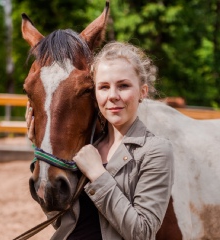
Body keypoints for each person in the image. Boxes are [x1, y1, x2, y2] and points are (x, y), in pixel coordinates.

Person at [26, 41, 174, 240]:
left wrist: (98, 174)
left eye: (123, 86)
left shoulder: (154, 150)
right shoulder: (86, 149)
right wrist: (40, 148)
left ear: (143, 92)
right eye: (104, 87)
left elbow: (142, 233)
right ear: (95, 93)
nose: (113, 96)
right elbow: (60, 219)